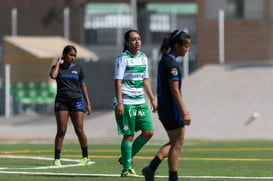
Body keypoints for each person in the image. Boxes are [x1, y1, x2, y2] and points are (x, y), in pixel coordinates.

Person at [142, 29, 192, 181]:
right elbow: (175, 91)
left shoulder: (165, 60)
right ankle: (173, 177)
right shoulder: (171, 64)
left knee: (175, 141)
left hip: (165, 108)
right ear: (176, 45)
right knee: (177, 142)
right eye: (186, 46)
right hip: (171, 108)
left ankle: (151, 168)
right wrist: (184, 111)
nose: (187, 49)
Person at [114, 29, 157, 177]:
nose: (137, 42)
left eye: (139, 39)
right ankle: (126, 169)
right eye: (133, 39)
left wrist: (152, 99)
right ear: (126, 42)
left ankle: (126, 157)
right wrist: (119, 102)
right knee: (129, 135)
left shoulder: (144, 58)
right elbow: (118, 81)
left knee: (148, 132)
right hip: (126, 101)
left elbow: (145, 80)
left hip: (140, 101)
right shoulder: (122, 58)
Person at [49, 45, 92, 166]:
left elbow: (83, 87)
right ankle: (57, 159)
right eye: (70, 55)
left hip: (77, 100)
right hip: (61, 101)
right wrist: (58, 63)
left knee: (79, 130)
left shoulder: (78, 68)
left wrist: (88, 103)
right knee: (61, 130)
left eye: (74, 56)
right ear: (64, 54)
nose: (72, 58)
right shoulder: (57, 67)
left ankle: (85, 156)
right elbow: (53, 76)